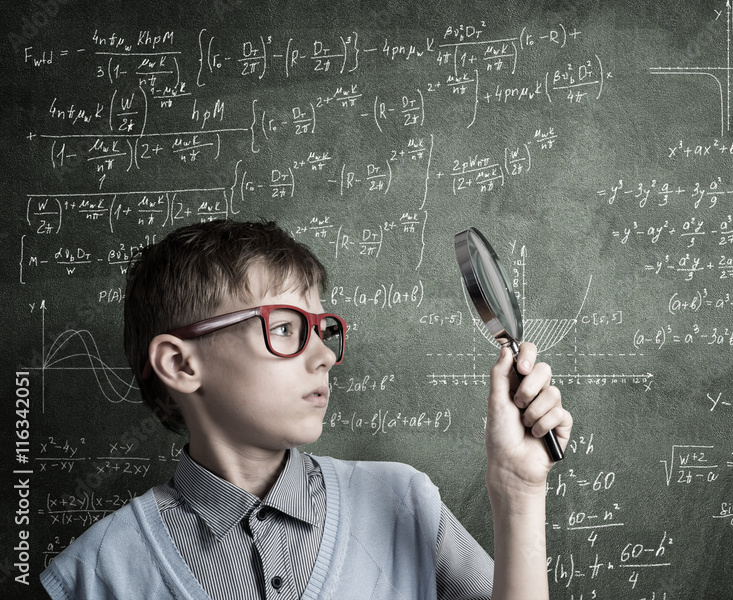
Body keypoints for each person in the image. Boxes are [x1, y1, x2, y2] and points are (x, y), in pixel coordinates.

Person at [40, 220, 572, 600]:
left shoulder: (404, 502)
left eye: (323, 330)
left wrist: (518, 491)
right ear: (180, 364)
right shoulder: (97, 573)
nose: (324, 357)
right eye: (286, 328)